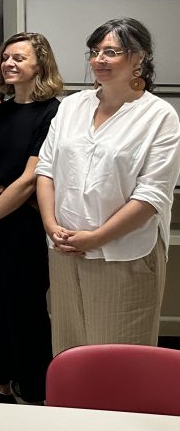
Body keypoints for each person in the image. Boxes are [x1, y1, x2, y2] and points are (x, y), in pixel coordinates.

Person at [37, 18, 180, 352]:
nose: (98, 59)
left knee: (117, 358)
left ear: (139, 59)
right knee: (69, 350)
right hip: (65, 249)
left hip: (123, 254)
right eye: (95, 51)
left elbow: (151, 195)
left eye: (111, 51)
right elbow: (46, 169)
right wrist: (50, 225)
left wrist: (97, 238)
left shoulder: (159, 116)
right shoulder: (73, 105)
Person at [0, 32, 62, 404]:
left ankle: (36, 393)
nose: (9, 64)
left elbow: (29, 179)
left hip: (23, 221)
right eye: (5, 58)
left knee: (26, 310)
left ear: (40, 64)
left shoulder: (53, 111)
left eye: (19, 58)